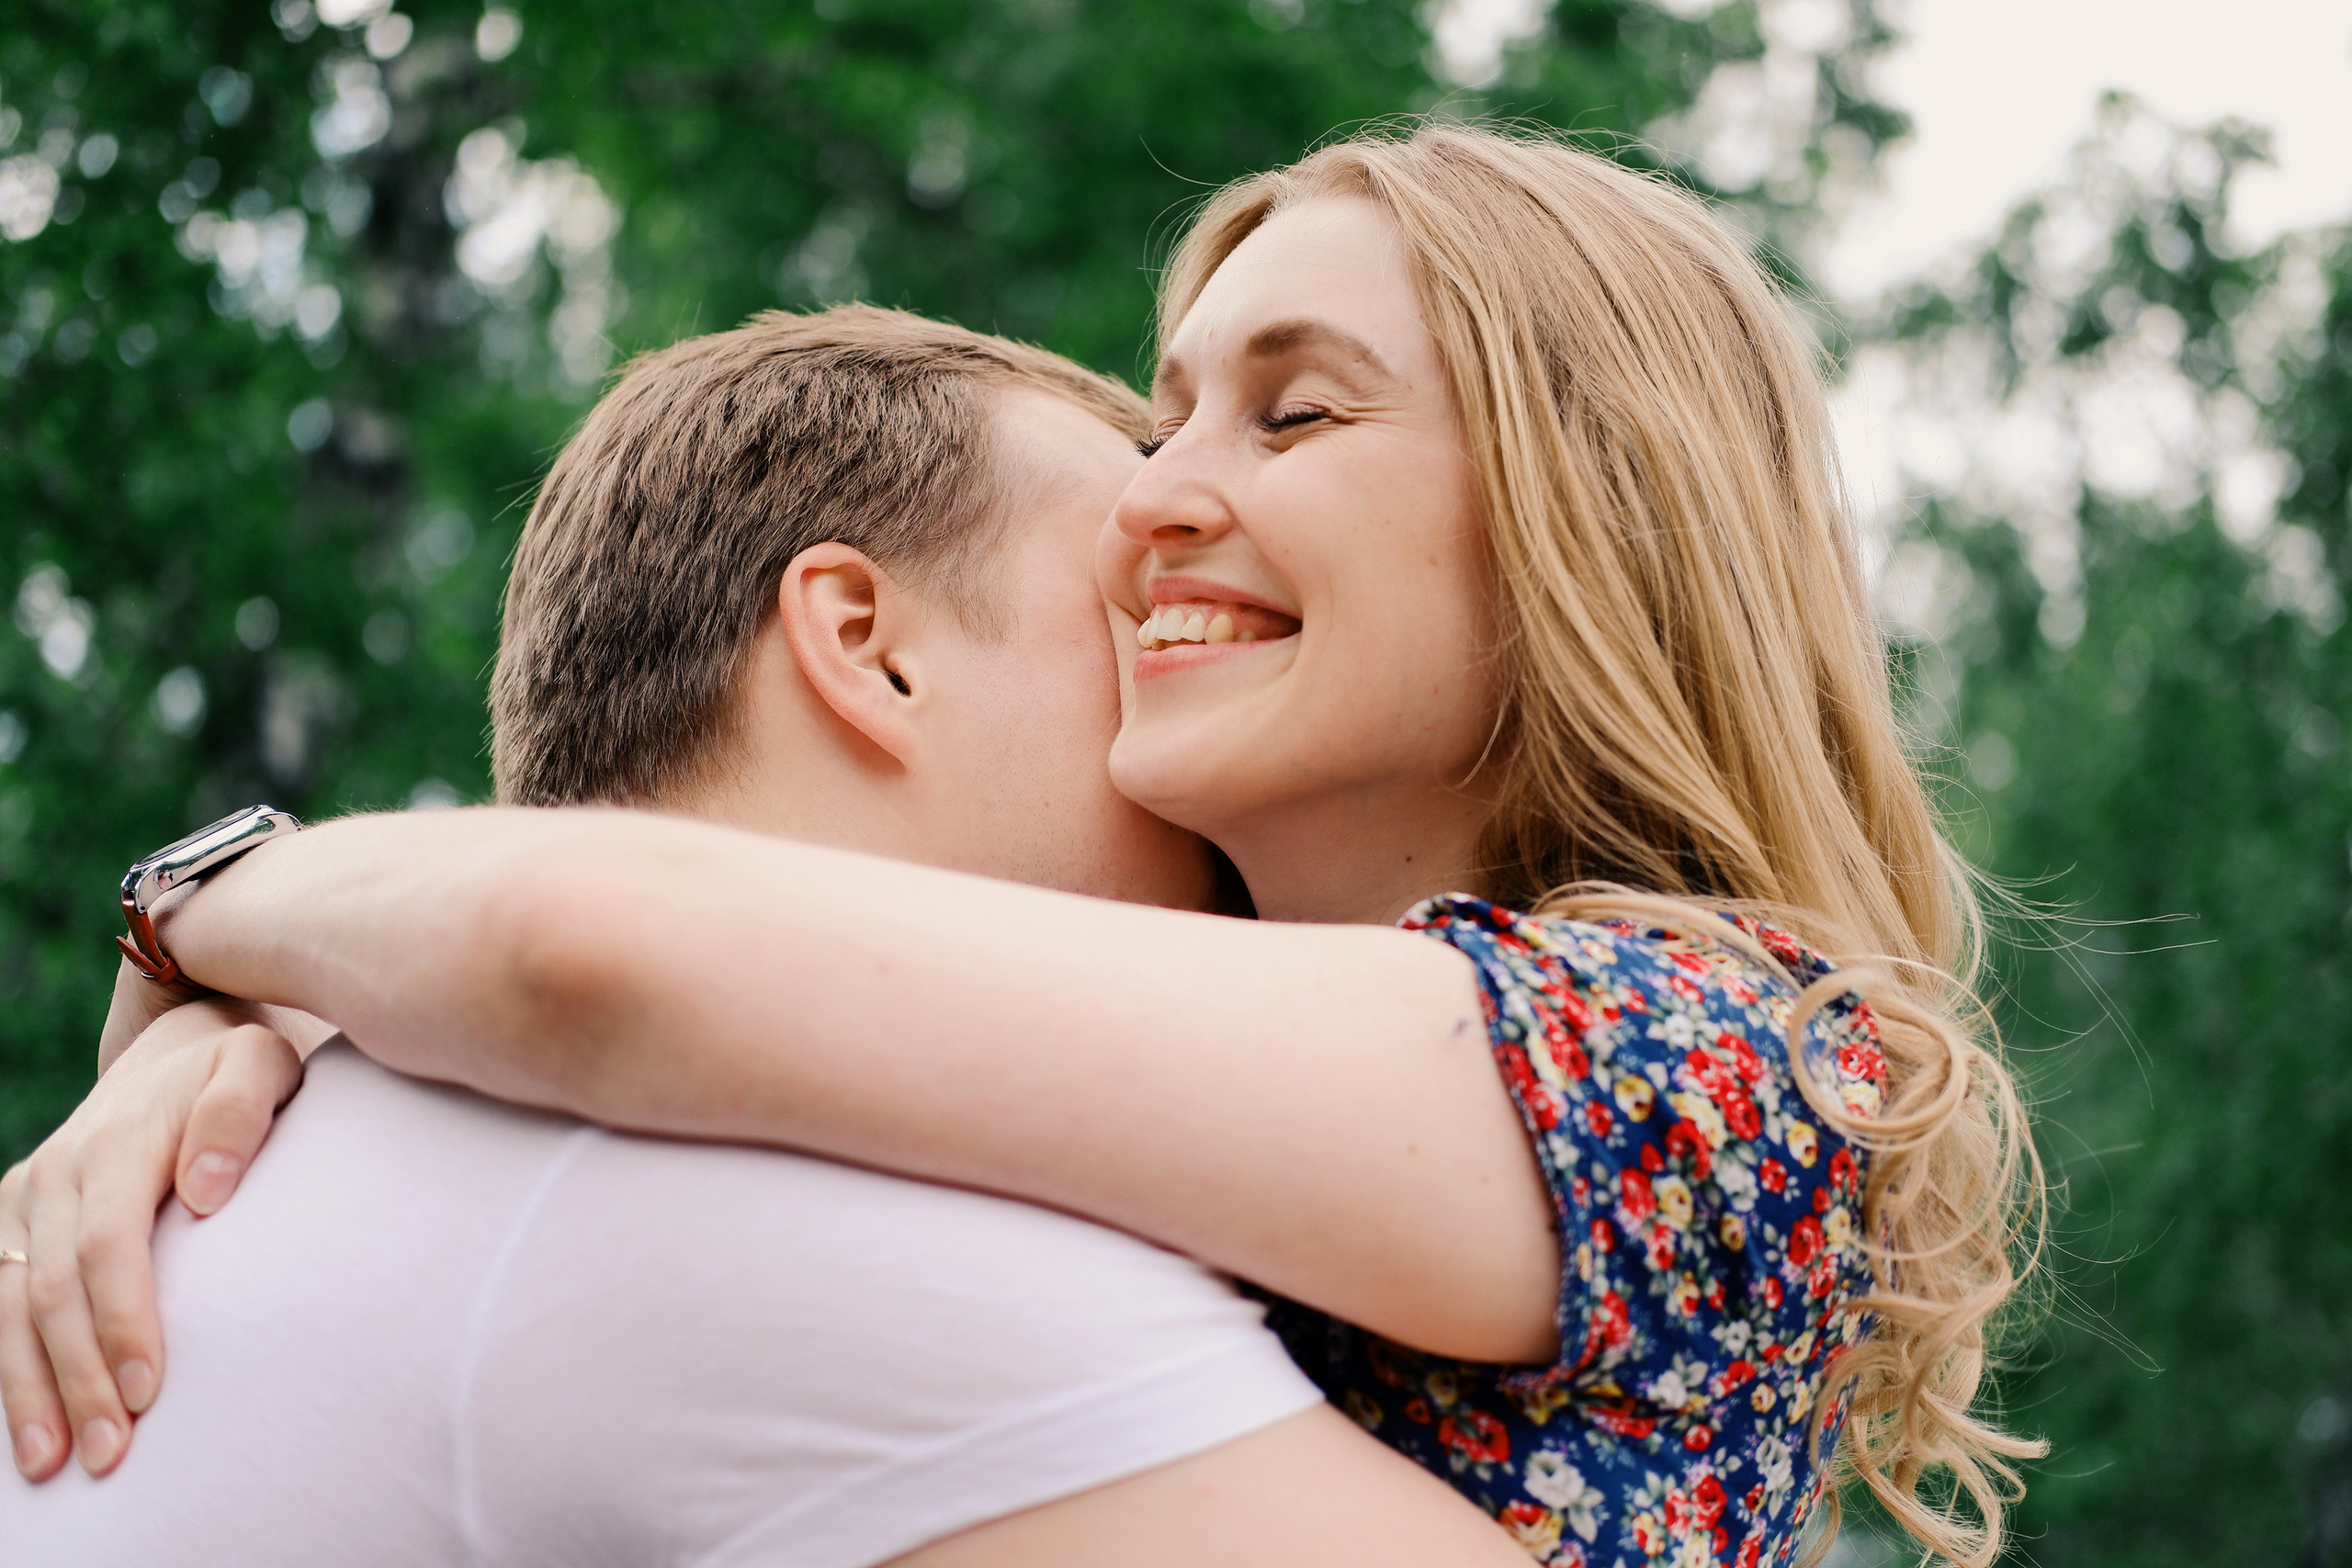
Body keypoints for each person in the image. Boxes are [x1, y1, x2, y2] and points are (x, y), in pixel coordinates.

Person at [5, 124, 2044, 1567]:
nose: (1159, 496)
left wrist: (215, 914)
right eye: (1162, 424)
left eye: (1293, 416)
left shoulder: (1713, 1056)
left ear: (1578, 522)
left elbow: (594, 942)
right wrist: (261, 1039)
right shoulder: (1145, 1120)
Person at [0, 308, 1534, 1567]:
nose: (1182, 681)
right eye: (1132, 620)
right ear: (865, 649)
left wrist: (212, 933)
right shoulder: (780, 1207)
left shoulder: (320, 1136)